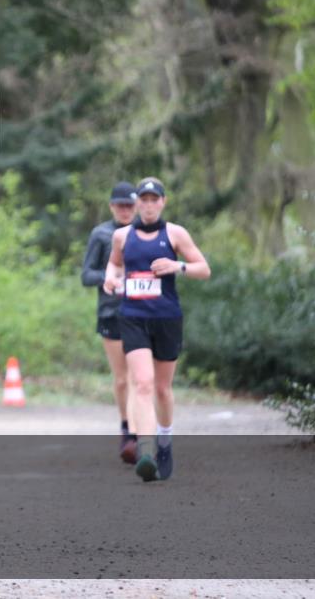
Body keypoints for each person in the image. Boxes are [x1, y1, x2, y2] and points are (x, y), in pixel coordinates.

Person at [103, 177, 210, 482]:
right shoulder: (122, 236)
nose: (149, 205)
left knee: (162, 389)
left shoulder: (175, 233)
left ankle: (164, 440)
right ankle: (145, 451)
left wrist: (178, 267)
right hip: (133, 316)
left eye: (155, 199)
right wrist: (110, 279)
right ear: (137, 203)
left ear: (163, 202)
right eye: (144, 200)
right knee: (143, 384)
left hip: (166, 318)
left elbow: (204, 268)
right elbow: (114, 265)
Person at [81, 181, 138, 464]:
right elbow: (85, 275)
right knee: (123, 377)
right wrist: (108, 279)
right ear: (112, 206)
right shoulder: (101, 234)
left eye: (130, 205)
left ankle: (143, 432)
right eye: (120, 205)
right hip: (111, 313)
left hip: (144, 313)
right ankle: (127, 428)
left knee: (143, 378)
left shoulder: (147, 233)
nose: (125, 210)